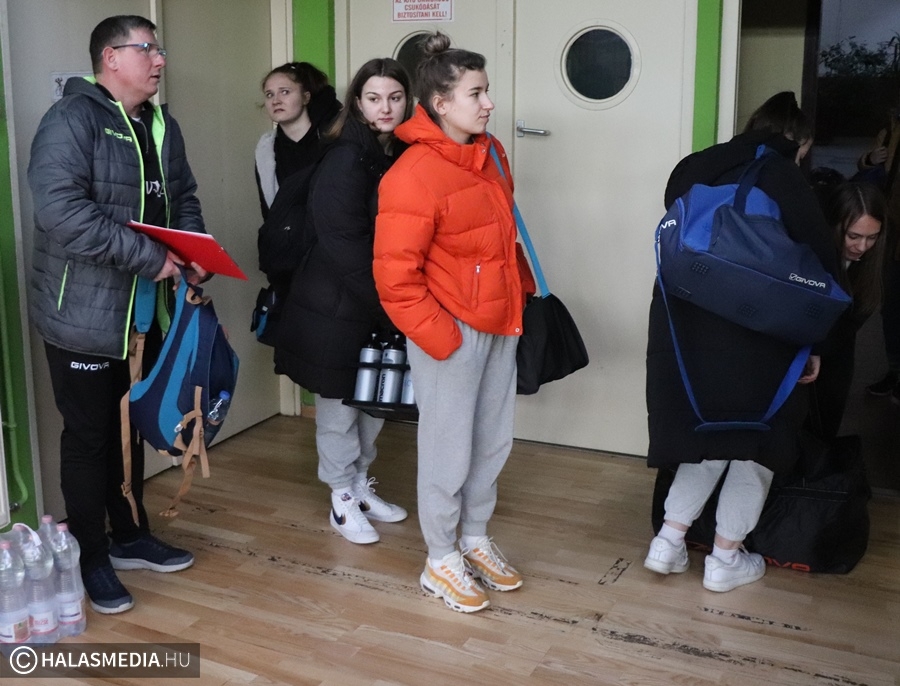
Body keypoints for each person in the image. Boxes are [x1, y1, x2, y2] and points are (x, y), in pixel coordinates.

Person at [27, 15, 206, 614]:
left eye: (159, 49)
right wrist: (151, 258)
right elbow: (61, 212)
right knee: (90, 437)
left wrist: (192, 251)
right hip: (81, 315)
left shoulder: (161, 124)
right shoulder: (71, 119)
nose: (159, 60)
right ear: (111, 57)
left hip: (143, 315)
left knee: (128, 428)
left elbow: (182, 198)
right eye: (147, 48)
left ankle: (129, 535)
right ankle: (91, 556)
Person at [643, 92, 837, 592]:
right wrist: (818, 341)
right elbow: (821, 259)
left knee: (712, 437)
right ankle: (725, 559)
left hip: (686, 323)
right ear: (800, 142)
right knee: (761, 441)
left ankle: (668, 540)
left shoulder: (695, 167)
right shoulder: (782, 174)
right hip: (759, 327)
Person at [373, 32, 535, 613]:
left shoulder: (490, 154)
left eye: (487, 91)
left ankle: (474, 538)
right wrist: (443, 340)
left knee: (492, 440)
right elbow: (395, 278)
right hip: (451, 331)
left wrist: (517, 298)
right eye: (476, 93)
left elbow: (499, 240)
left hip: (500, 319)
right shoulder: (412, 174)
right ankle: (440, 558)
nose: (488, 103)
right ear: (441, 103)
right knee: (448, 449)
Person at [273, 58, 412, 545]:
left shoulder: (392, 152)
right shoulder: (346, 157)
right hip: (335, 303)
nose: (385, 107)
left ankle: (359, 485)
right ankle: (341, 497)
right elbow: (342, 242)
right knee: (339, 407)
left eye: (394, 97)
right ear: (357, 103)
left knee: (372, 397)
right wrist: (387, 301)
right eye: (373, 98)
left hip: (370, 301)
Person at [812, 181, 887, 437]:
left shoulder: (876, 258)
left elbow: (854, 319)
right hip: (802, 345)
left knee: (826, 419)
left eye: (872, 237)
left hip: (838, 347)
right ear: (833, 225)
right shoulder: (811, 253)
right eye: (853, 236)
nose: (863, 247)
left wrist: (821, 351)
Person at [254, 61, 341, 223]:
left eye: (285, 92)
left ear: (305, 97)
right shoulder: (266, 149)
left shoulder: (334, 139)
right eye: (269, 94)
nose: (276, 100)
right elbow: (269, 211)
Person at [856, 104, 900, 401]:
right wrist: (870, 159)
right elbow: (866, 166)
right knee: (891, 304)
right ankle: (895, 372)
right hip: (891, 229)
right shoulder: (890, 128)